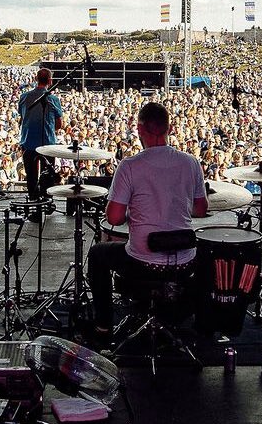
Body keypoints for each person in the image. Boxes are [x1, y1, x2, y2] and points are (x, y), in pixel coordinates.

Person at [87, 102, 208, 341]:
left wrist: (136, 211)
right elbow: (201, 209)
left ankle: (103, 326)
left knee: (97, 255)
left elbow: (113, 218)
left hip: (142, 262)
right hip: (185, 261)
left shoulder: (129, 166)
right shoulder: (191, 162)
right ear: (169, 128)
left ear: (139, 130)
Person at [17, 68, 63, 221]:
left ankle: (33, 203)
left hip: (28, 141)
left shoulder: (24, 97)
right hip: (47, 143)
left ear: (36, 79)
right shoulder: (53, 99)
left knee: (31, 176)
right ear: (50, 81)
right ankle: (46, 203)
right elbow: (59, 124)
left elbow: (22, 118)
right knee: (47, 175)